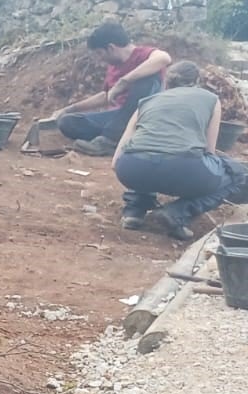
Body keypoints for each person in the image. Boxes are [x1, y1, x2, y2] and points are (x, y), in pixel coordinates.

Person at [113, 61, 248, 241]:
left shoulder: (147, 101)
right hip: (184, 168)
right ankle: (178, 212)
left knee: (149, 153)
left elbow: (118, 157)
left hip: (130, 168)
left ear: (166, 83)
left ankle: (134, 211)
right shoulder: (210, 99)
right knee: (237, 174)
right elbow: (209, 150)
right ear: (197, 81)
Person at [52, 22, 171, 157]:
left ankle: (111, 140)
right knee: (68, 122)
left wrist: (124, 82)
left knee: (147, 79)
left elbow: (164, 58)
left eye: (99, 53)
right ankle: (122, 139)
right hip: (117, 118)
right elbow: (107, 96)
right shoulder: (113, 66)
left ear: (111, 48)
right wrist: (69, 109)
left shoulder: (143, 54)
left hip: (143, 117)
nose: (99, 59)